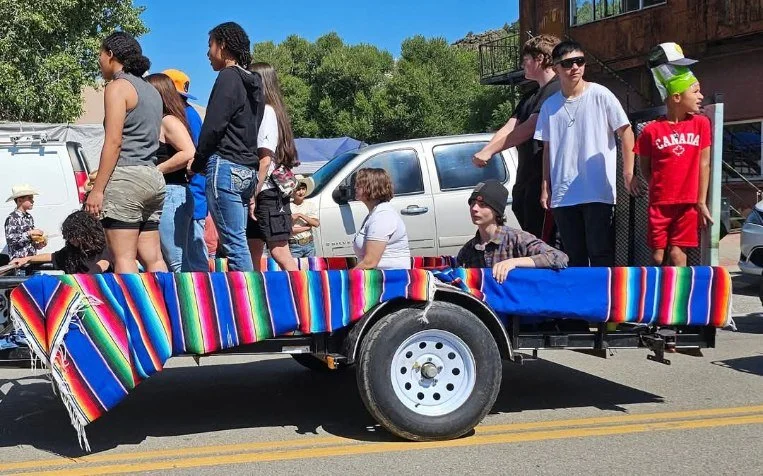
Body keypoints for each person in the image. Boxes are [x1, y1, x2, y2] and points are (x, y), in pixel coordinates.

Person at [534, 40, 636, 267]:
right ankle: (581, 302)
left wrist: (628, 173)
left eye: (580, 61)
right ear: (556, 67)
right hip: (563, 194)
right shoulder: (550, 106)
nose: (575, 68)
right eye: (568, 63)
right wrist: (545, 186)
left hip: (596, 189)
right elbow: (547, 149)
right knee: (573, 256)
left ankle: (605, 301)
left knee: (600, 253)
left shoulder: (601, 94)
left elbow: (626, 132)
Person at [85, 32, 166, 274]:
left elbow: (114, 142)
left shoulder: (117, 87)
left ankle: (129, 312)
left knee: (123, 259)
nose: (99, 61)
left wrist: (97, 190)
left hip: (126, 179)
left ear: (111, 55)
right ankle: (166, 308)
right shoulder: (152, 90)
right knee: (154, 259)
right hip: (152, 177)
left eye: (100, 54)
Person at [189, 22, 264, 272]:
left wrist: (197, 163)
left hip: (226, 166)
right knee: (238, 240)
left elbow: (213, 126)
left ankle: (247, 303)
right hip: (246, 170)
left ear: (223, 45)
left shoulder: (228, 77)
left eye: (210, 45)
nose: (208, 53)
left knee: (234, 245)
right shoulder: (253, 82)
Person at [473, 34, 561, 242]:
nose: (523, 64)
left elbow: (530, 127)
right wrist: (486, 150)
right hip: (527, 176)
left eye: (526, 59)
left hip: (544, 176)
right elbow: (511, 126)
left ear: (540, 59)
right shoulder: (531, 95)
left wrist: (490, 151)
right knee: (527, 223)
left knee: (546, 240)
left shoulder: (556, 89)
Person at [632, 42, 713, 266]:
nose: (701, 96)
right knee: (657, 255)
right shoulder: (650, 131)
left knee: (678, 254)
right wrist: (658, 188)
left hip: (687, 204)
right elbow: (645, 167)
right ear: (676, 97)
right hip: (660, 204)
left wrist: (701, 201)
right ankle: (655, 295)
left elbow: (704, 163)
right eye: (695, 91)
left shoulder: (701, 124)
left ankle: (679, 297)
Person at [457, 180, 568, 283]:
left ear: (496, 211)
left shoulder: (517, 239)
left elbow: (559, 257)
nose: (474, 208)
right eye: (472, 203)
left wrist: (514, 262)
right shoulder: (467, 251)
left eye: (482, 205)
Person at [246, 62, 299, 271]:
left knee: (279, 251)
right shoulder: (270, 111)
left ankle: (301, 295)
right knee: (253, 249)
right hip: (264, 194)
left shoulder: (267, 111)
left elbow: (265, 160)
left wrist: (253, 192)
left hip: (267, 194)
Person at [145, 73, 197, 272]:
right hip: (164, 194)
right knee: (167, 259)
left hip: (173, 193)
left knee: (176, 260)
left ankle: (188, 301)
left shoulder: (169, 121)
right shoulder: (157, 122)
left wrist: (156, 170)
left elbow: (189, 152)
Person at [163, 69, 210, 271]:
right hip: (192, 195)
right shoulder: (188, 113)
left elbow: (196, 157)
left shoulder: (185, 116)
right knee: (191, 259)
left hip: (191, 194)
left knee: (189, 259)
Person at [10, 211, 111, 274]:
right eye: (69, 237)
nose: (71, 240)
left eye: (73, 236)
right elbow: (53, 256)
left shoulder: (105, 248)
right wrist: (27, 259)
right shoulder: (72, 250)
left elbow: (104, 264)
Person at [352, 168, 411, 270]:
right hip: (378, 276)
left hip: (390, 279)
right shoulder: (375, 213)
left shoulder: (383, 215)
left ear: (372, 187)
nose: (355, 187)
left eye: (359, 185)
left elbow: (370, 263)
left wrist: (346, 277)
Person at [5, 185, 45, 259]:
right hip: (19, 263)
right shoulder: (12, 218)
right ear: (20, 200)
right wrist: (30, 233)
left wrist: (39, 244)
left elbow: (29, 241)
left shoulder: (29, 217)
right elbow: (10, 240)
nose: (33, 201)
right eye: (30, 198)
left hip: (31, 260)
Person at [289, 178, 320, 258]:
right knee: (295, 269)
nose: (301, 192)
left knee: (312, 268)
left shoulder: (310, 205)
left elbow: (316, 223)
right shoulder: (288, 206)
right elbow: (290, 229)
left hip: (309, 243)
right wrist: (307, 227)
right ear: (293, 191)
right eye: (298, 189)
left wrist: (300, 215)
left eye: (303, 189)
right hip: (294, 245)